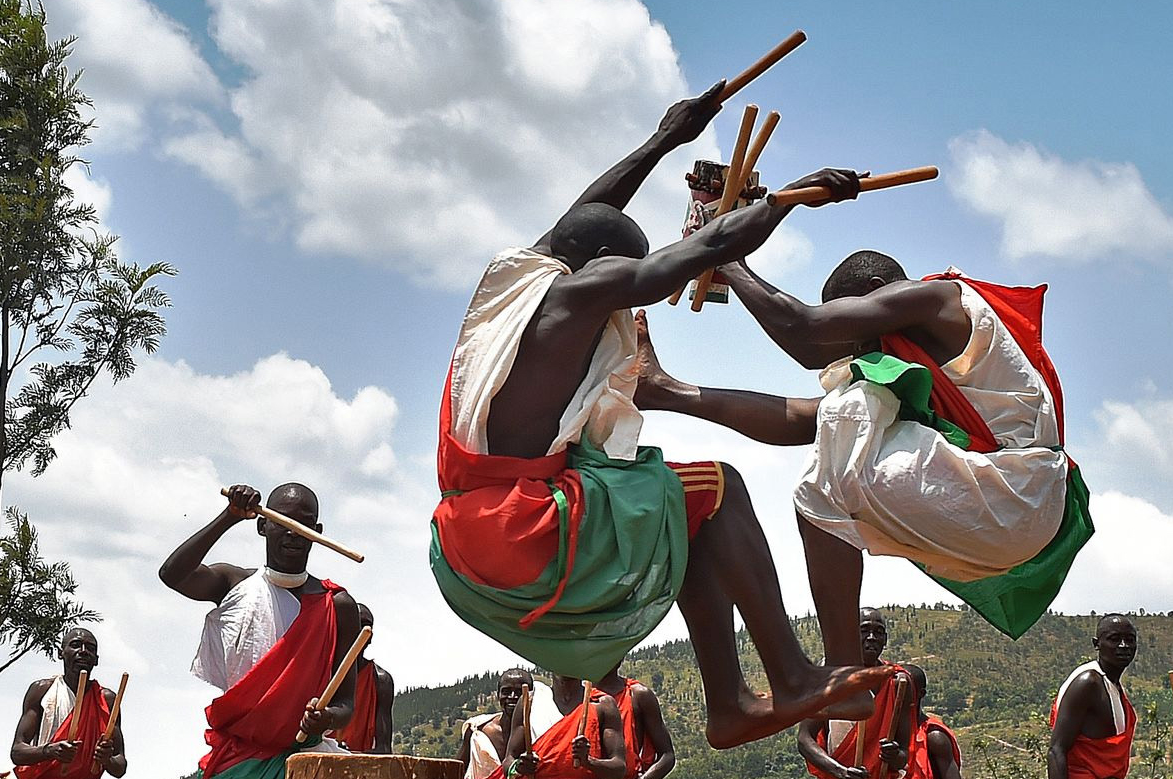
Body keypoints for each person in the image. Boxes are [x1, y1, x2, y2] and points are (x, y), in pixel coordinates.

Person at [426, 78, 881, 748]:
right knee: (721, 486)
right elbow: (698, 254)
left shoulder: (522, 278)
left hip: (466, 539)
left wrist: (667, 138)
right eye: (624, 275)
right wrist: (785, 199)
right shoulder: (584, 288)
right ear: (601, 268)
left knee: (679, 508)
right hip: (519, 528)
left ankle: (730, 706)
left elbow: (586, 214)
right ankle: (787, 677)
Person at [632, 249, 1089, 659]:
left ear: (876, 292)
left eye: (850, 319)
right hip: (1023, 512)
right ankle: (663, 391)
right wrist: (670, 393)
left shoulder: (935, 298)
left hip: (1013, 495)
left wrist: (729, 261)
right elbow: (806, 409)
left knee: (842, 427)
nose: (855, 346)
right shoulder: (917, 351)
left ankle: (843, 666)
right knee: (841, 417)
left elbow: (806, 332)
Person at [160, 483, 369, 779]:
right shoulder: (233, 584)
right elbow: (172, 575)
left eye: (304, 524)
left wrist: (326, 717)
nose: (293, 532)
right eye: (283, 521)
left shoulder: (338, 605)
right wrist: (230, 516)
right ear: (262, 526)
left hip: (303, 761)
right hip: (237, 760)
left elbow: (345, 703)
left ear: (317, 532)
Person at [497, 665, 675, 779]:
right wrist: (518, 767)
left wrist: (588, 761)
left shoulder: (602, 704)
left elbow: (619, 768)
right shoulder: (529, 702)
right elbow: (509, 760)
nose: (565, 661)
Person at [799, 609, 910, 779]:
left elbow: (903, 755)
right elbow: (804, 739)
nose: (871, 637)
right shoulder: (831, 676)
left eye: (878, 632)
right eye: (864, 630)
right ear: (850, 636)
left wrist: (893, 755)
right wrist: (841, 772)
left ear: (885, 639)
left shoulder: (897, 682)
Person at [9, 628, 126, 779]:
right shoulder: (42, 691)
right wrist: (49, 751)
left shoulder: (107, 700)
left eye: (90, 648)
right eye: (75, 645)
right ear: (61, 653)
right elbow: (17, 752)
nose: (83, 651)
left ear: (96, 660)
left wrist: (107, 760)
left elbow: (120, 767)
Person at [1049, 616, 1137, 779]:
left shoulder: (1114, 686)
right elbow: (1056, 750)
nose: (1124, 646)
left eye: (1130, 640)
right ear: (1097, 644)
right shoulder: (1088, 683)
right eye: (1114, 639)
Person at [456, 670, 562, 779]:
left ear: (531, 696)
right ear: (498, 695)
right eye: (506, 692)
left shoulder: (540, 733)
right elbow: (456, 769)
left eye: (520, 692)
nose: (512, 697)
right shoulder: (478, 730)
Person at [331, 606, 395, 754]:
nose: (360, 631)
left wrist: (347, 756)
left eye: (366, 626)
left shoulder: (381, 681)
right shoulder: (320, 672)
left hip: (360, 766)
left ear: (370, 637)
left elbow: (384, 749)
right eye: (355, 624)